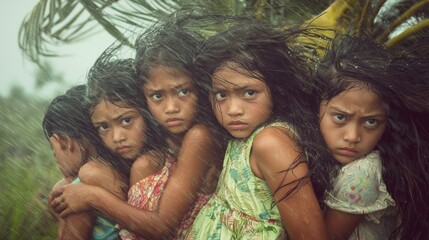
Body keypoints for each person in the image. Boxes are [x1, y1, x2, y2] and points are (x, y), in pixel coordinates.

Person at [50, 14, 223, 239]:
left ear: (199, 86)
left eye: (183, 91)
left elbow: (162, 226)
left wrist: (92, 196)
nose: (171, 107)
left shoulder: (200, 136)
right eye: (158, 95)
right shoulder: (161, 138)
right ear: (146, 98)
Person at [184, 17, 333, 239]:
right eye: (221, 95)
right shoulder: (245, 135)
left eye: (249, 93)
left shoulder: (271, 142)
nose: (233, 109)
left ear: (275, 89)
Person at [313, 35, 429, 239]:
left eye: (371, 122)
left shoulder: (362, 174)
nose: (353, 136)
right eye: (340, 117)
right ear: (316, 106)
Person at [44, 84, 127, 239]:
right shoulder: (119, 166)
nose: (57, 161)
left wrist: (62, 216)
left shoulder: (78, 192)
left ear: (63, 142)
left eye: (54, 152)